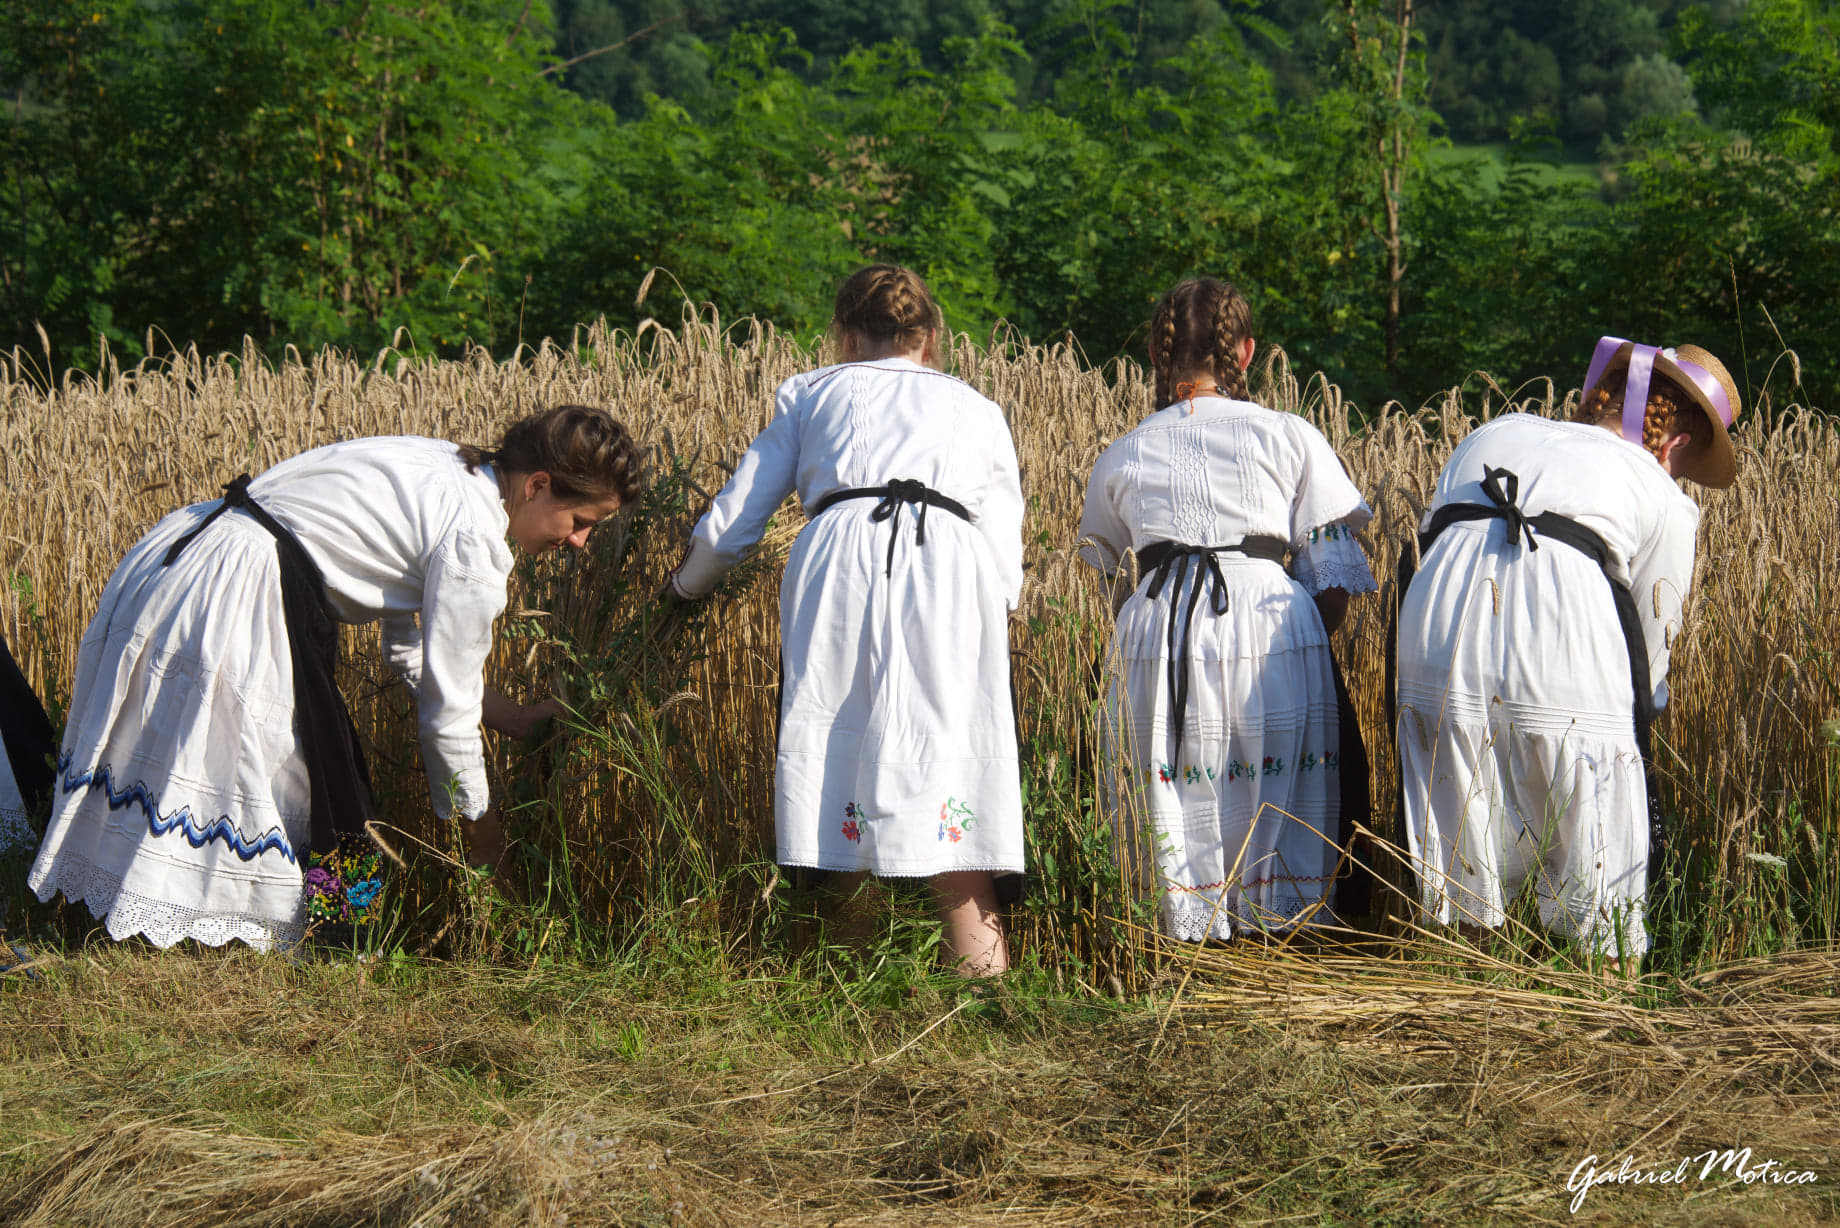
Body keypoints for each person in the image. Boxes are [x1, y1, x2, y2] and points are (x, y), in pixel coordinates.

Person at [27, 405, 643, 951]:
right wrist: (483, 839)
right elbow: (447, 716)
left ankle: (145, 915)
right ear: (538, 485)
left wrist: (516, 719)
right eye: (580, 520)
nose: (581, 542)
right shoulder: (474, 539)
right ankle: (292, 934)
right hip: (236, 589)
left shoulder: (448, 467)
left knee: (277, 770)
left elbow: (408, 652)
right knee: (297, 781)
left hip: (181, 554)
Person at [664, 265, 1024, 977]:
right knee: (949, 749)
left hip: (841, 562)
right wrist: (992, 612)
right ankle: (984, 985)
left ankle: (844, 985)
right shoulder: (977, 406)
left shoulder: (813, 391)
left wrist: (683, 589)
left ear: (847, 335)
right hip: (953, 571)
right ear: (929, 338)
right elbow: (1004, 543)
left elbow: (736, 521)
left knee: (836, 743)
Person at [1395, 338, 1739, 972]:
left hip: (1436, 628)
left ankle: (1463, 978)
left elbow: (1428, 539)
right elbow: (1649, 644)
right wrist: (1642, 720)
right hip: (1563, 632)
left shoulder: (1496, 430)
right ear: (1677, 444)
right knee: (1598, 814)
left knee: (1463, 809)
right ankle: (1605, 990)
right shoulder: (1661, 493)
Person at [1078, 276, 1377, 943]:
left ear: (1157, 355)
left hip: (1157, 627)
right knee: (1278, 788)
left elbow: (1109, 576)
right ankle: (1281, 928)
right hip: (1270, 617)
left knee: (1172, 783)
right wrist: (1301, 642)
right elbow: (1332, 577)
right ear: (1245, 352)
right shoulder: (1287, 434)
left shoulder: (1124, 450)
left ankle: (1180, 930)